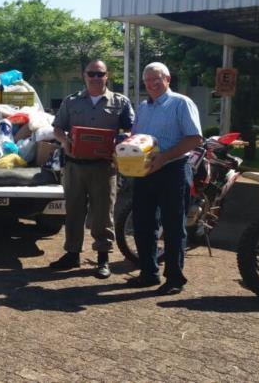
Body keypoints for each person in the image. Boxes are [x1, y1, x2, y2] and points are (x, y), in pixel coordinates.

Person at [49, 60, 135, 278]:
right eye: (91, 74)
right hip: (75, 166)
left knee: (103, 213)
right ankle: (72, 253)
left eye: (100, 74)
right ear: (84, 75)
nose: (96, 77)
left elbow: (131, 128)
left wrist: (123, 143)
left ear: (107, 76)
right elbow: (58, 127)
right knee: (74, 212)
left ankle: (102, 258)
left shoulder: (120, 102)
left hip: (104, 168)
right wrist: (64, 142)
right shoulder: (72, 101)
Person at [127, 62, 203, 295]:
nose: (151, 84)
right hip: (145, 172)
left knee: (173, 226)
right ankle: (149, 273)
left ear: (168, 79)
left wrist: (164, 157)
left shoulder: (181, 103)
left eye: (156, 79)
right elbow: (135, 137)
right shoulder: (143, 107)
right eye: (147, 80)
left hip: (174, 170)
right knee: (143, 224)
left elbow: (194, 139)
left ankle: (174, 278)